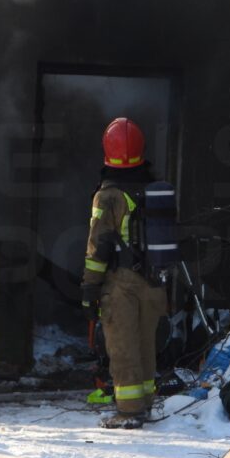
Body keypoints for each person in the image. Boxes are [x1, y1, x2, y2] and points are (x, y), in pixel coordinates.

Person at [80, 117, 174, 429]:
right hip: (155, 282)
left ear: (107, 151)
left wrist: (89, 288)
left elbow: (98, 245)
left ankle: (129, 412)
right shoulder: (153, 188)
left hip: (122, 282)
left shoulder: (108, 195)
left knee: (123, 347)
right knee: (146, 345)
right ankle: (144, 404)